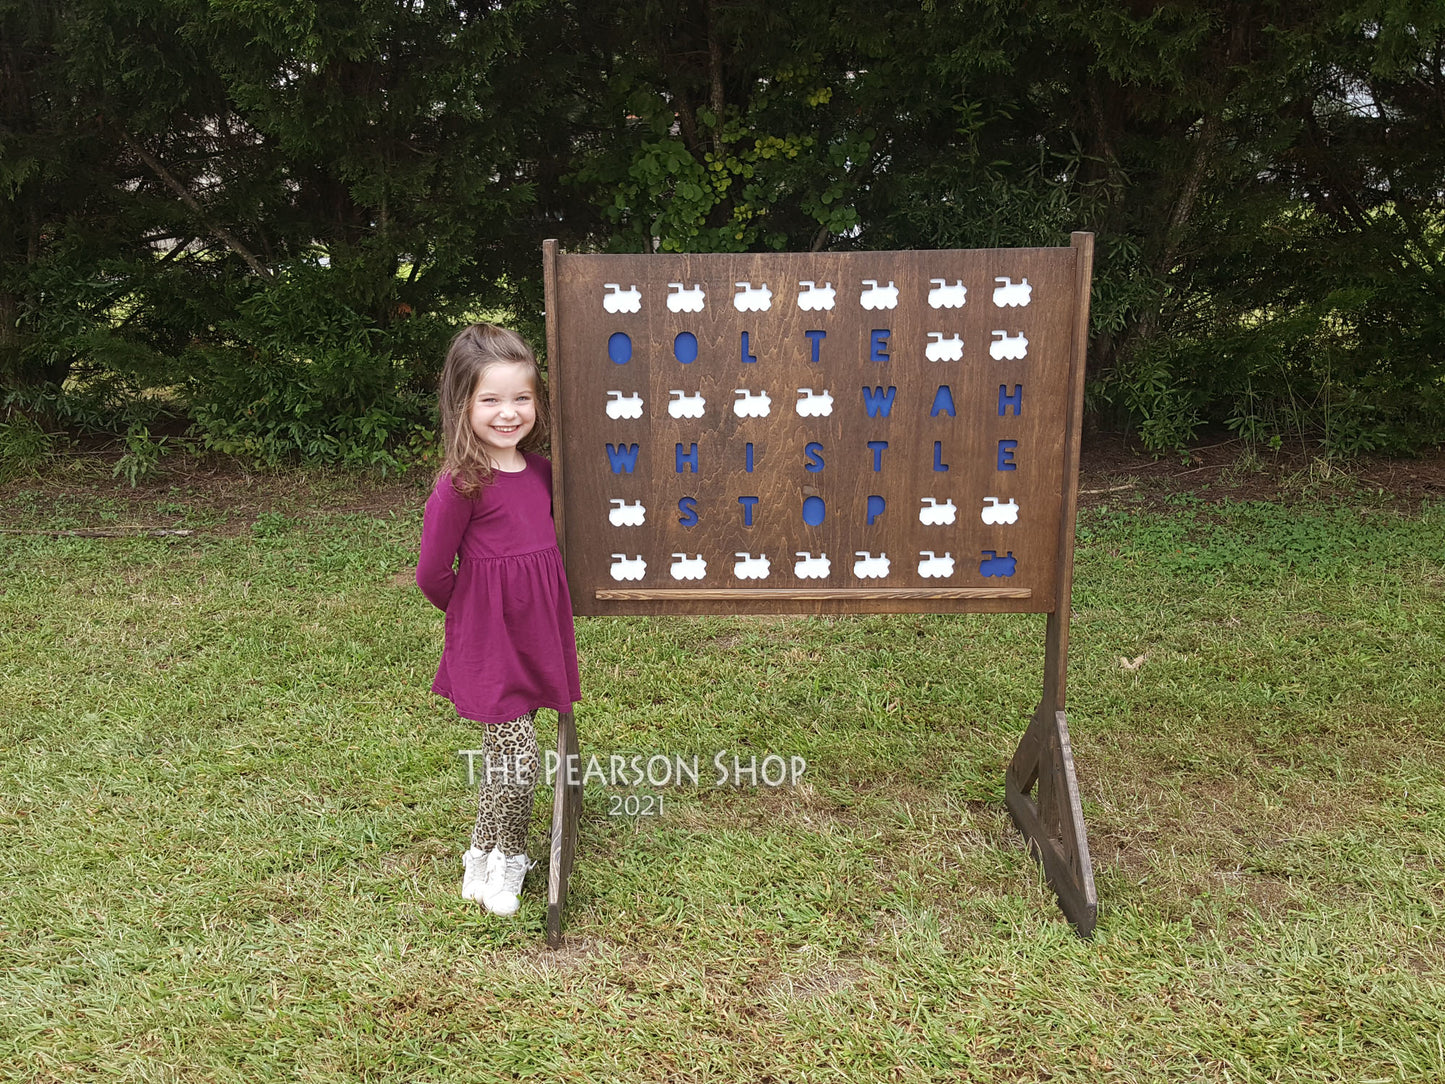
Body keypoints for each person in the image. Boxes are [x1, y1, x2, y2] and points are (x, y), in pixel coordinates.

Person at [415, 324, 580, 916]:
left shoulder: (543, 475)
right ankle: (509, 854)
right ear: (463, 404)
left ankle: (485, 848)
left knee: (504, 761)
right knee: (517, 758)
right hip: (491, 644)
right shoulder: (461, 485)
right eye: (491, 399)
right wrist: (476, 615)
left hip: (536, 638)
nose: (508, 413)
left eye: (521, 398)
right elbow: (432, 574)